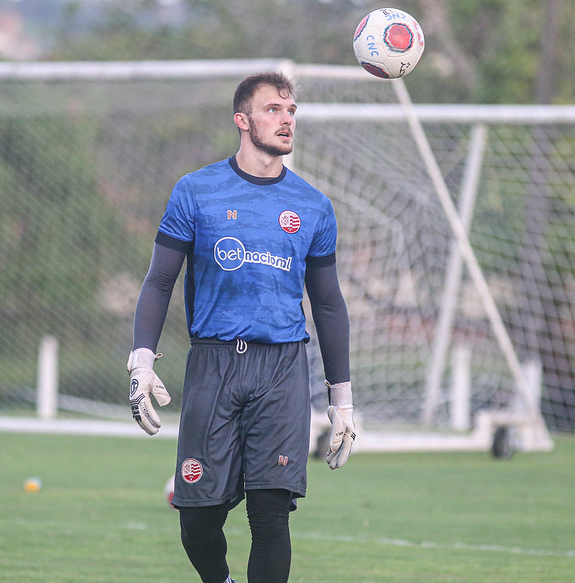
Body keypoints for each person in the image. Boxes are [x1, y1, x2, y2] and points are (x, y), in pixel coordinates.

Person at [126, 71, 356, 583]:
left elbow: (329, 305)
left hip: (282, 369)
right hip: (213, 365)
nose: (286, 119)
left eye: (291, 110)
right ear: (242, 120)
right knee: (198, 518)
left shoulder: (314, 205)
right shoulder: (196, 190)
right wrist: (141, 361)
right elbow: (160, 280)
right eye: (273, 109)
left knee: (271, 514)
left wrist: (341, 399)